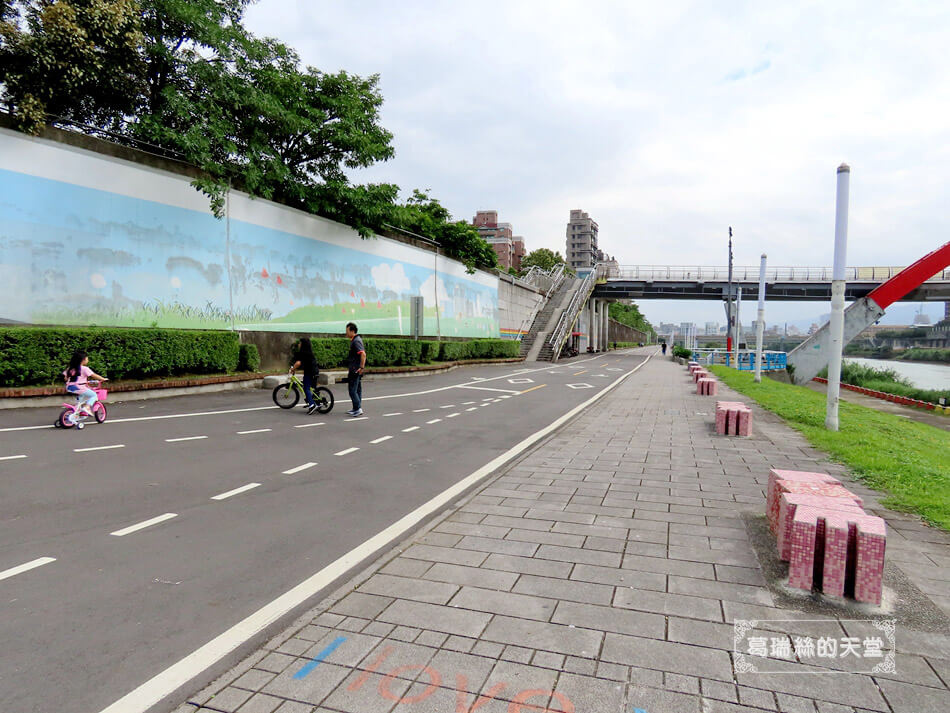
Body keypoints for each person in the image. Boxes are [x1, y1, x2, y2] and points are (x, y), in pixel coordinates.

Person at [63, 350, 108, 417]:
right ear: (83, 360)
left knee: (81, 399)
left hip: (69, 387)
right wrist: (103, 379)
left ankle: (76, 412)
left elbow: (65, 378)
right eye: (87, 358)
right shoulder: (84, 369)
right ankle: (87, 407)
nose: (88, 360)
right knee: (94, 395)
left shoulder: (70, 368)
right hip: (79, 387)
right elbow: (93, 375)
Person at [290, 337, 319, 414]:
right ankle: (317, 403)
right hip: (315, 371)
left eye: (300, 343)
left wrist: (293, 369)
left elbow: (298, 363)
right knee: (312, 388)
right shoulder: (309, 352)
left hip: (309, 373)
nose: (299, 344)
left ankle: (312, 405)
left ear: (303, 345)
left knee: (306, 388)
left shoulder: (303, 353)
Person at [345, 322, 366, 416]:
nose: (346, 333)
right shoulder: (355, 339)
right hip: (356, 368)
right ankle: (356, 408)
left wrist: (361, 367)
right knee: (357, 389)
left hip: (355, 369)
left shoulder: (356, 341)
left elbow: (363, 354)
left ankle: (358, 408)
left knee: (352, 390)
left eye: (347, 331)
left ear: (352, 331)